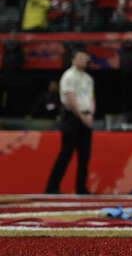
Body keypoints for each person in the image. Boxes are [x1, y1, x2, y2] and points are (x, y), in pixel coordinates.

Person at [44, 49, 95, 194]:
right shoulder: (69, 76)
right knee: (65, 153)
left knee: (85, 155)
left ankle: (81, 188)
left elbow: (91, 98)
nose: (84, 59)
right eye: (81, 57)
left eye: (86, 57)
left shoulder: (88, 78)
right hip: (72, 117)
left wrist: (90, 113)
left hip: (86, 117)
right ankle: (52, 188)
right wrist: (82, 115)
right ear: (73, 59)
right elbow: (70, 98)